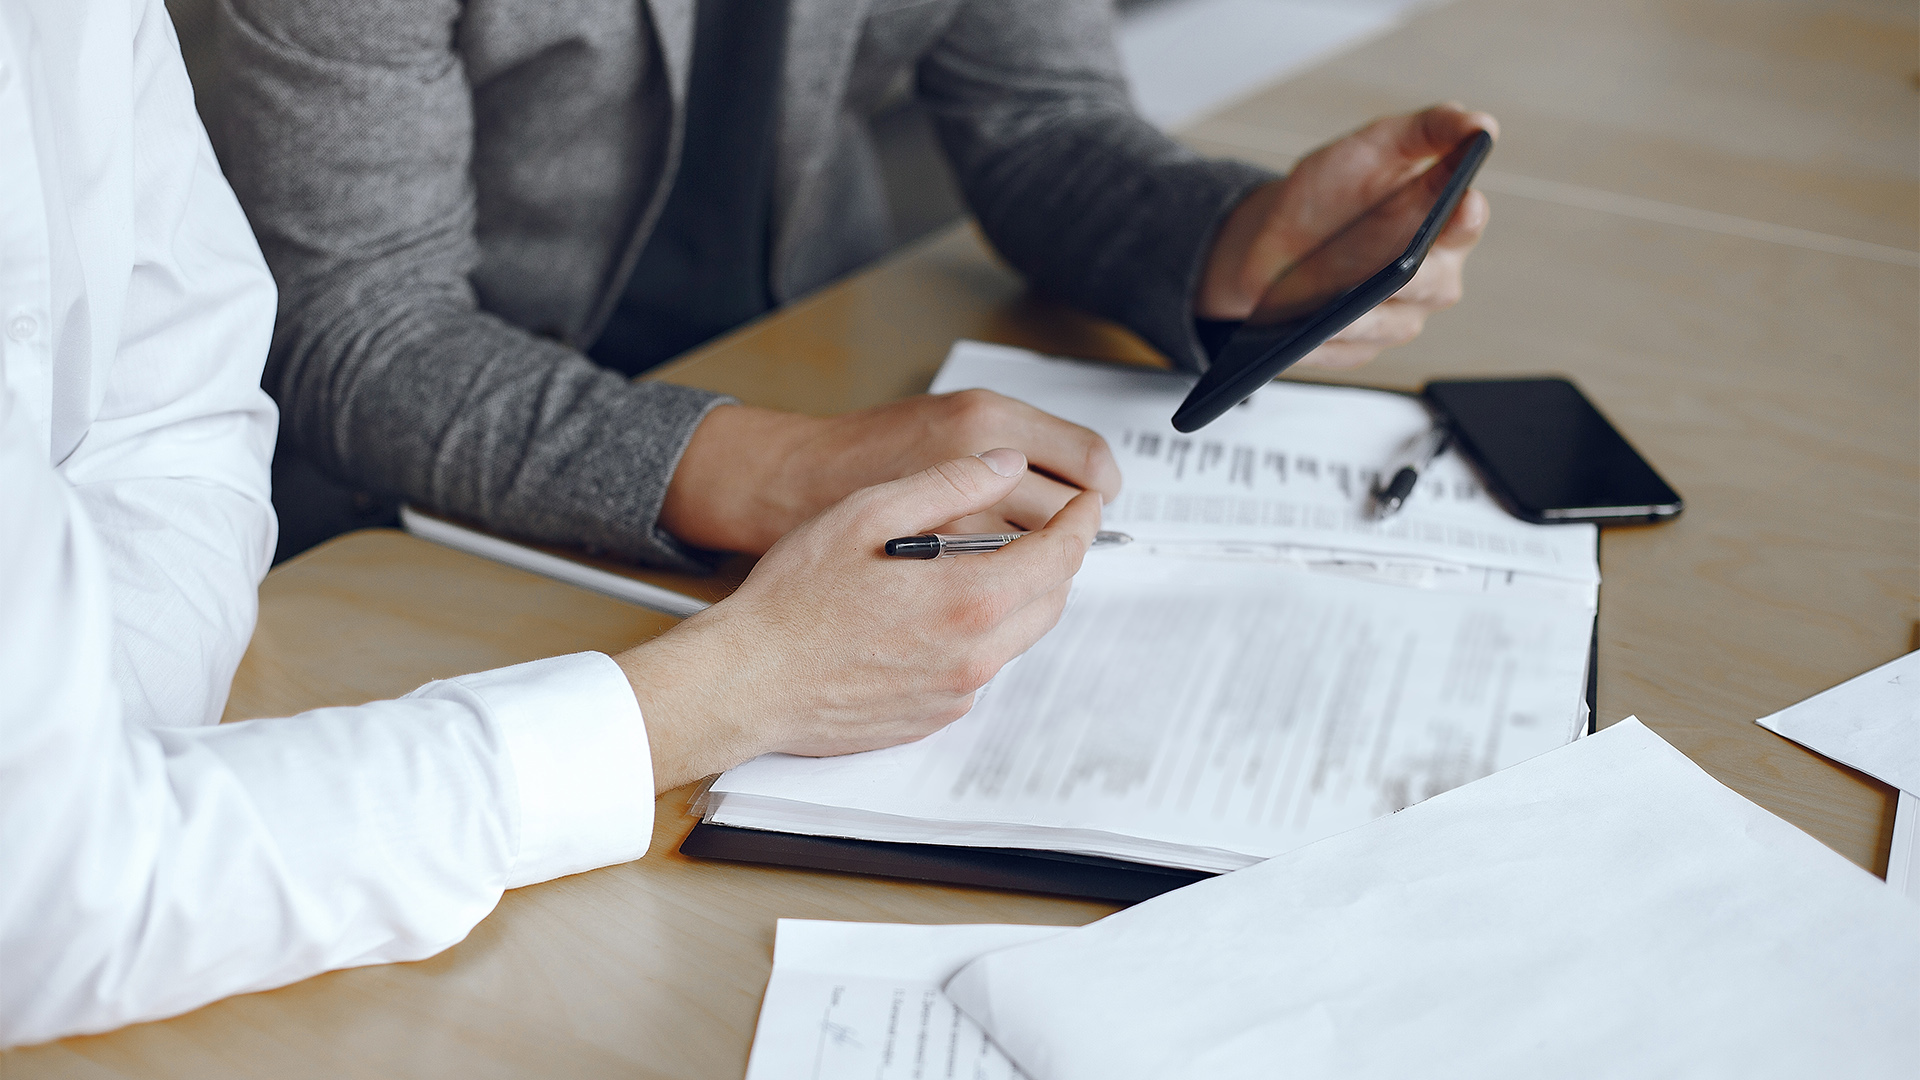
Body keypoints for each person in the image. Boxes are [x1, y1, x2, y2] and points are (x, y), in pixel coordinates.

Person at [0, 0, 1096, 1046]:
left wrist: (106, 735)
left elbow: (173, 407)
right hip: (422, 546)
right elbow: (60, 884)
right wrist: (727, 686)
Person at [208, 0, 1494, 564]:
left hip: (818, 363)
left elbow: (1037, 117)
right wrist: (772, 474)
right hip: (426, 509)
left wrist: (1235, 243)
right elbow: (358, 328)